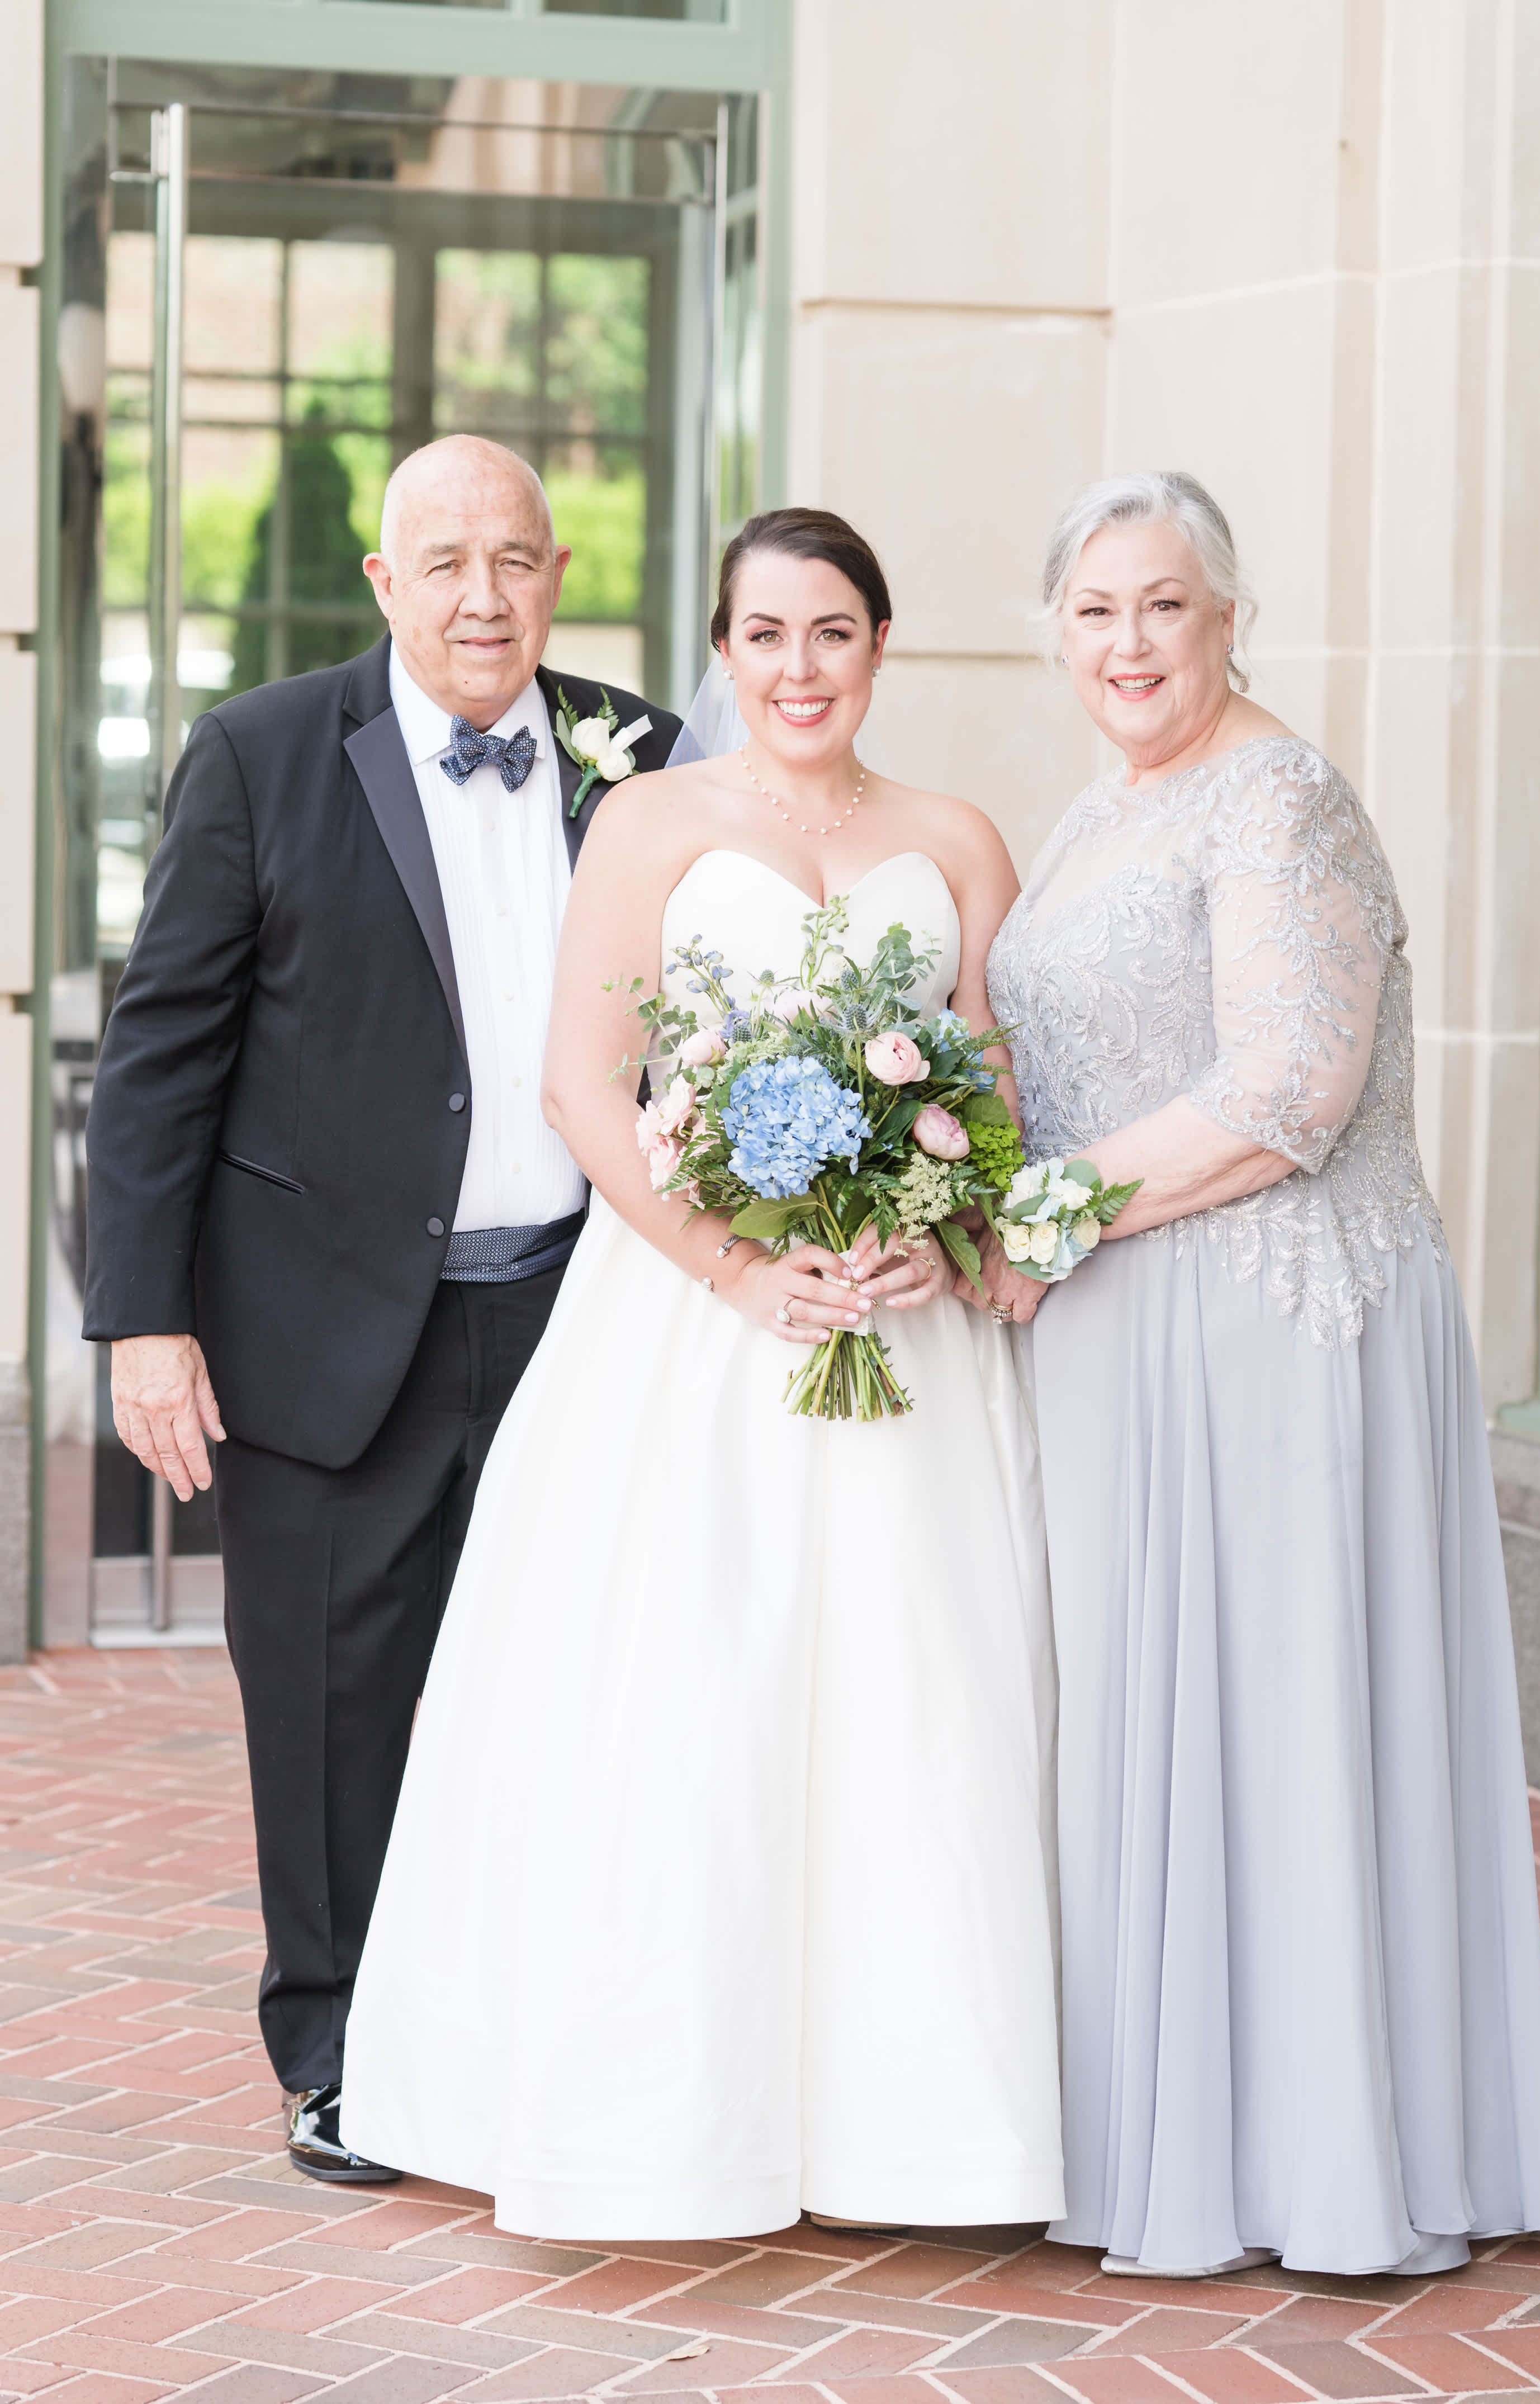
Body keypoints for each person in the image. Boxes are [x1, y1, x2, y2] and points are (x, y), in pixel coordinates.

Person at [338, 507, 1066, 2239]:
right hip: (691, 1321)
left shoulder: (956, 839)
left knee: (914, 1695)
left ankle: (913, 2129)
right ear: (724, 652)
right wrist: (741, 1267)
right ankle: (664, 2109)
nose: (799, 668)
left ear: (877, 645)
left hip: (901, 1329)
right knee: (688, 1685)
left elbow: (992, 1095)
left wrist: (939, 1230)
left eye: (832, 632)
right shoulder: (650, 821)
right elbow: (585, 1085)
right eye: (765, 634)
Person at [983, 469, 1540, 2278]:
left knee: (1278, 1717)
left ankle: (1311, 2157)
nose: (1128, 642)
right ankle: (1158, 2129)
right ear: (1054, 634)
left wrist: (1039, 1215)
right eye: (1094, 609)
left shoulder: (1278, 794)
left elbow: (1285, 1091)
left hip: (1269, 1327)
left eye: (1163, 604)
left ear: (1229, 619)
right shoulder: (1101, 807)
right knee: (1149, 1721)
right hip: (1121, 1327)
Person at [82, 435, 681, 2183]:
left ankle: (536, 2031)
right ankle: (335, 2048)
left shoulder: (641, 756)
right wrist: (142, 1316)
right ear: (385, 582)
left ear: (556, 572)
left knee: (567, 1687)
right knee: (333, 1704)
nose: (484, 597)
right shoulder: (261, 753)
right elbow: (161, 1053)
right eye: (447, 563)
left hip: (579, 1314)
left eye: (516, 559)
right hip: (325, 1323)